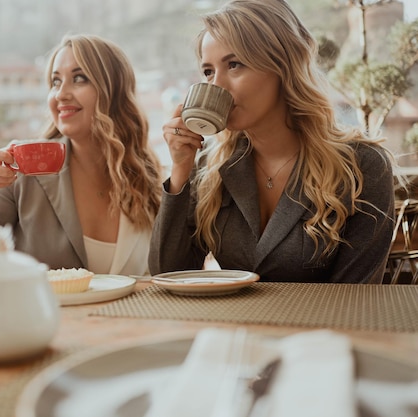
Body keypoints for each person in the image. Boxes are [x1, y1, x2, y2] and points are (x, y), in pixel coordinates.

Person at [149, 0, 396, 284]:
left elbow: (357, 296)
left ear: (281, 66)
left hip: (323, 328)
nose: (216, 86)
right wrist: (180, 171)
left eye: (234, 64)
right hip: (232, 327)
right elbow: (169, 275)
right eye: (208, 71)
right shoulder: (210, 165)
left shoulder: (363, 166)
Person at [0, 34, 162, 276]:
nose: (61, 94)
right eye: (56, 82)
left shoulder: (150, 179)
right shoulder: (23, 171)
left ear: (115, 90)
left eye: (79, 79)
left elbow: (175, 272)